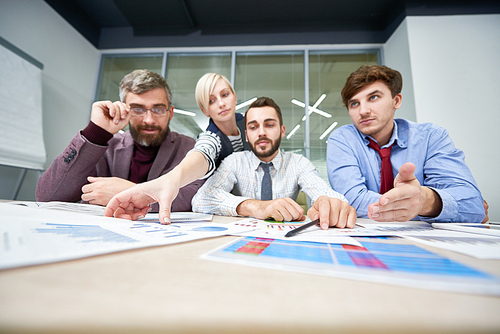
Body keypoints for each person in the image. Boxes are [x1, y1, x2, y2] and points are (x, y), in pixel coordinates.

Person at [326, 65, 486, 223]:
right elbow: (352, 201)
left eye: (373, 97)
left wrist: (427, 201)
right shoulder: (343, 139)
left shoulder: (431, 137)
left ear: (396, 101)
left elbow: (472, 205)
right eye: (354, 103)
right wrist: (424, 209)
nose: (363, 111)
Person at [36, 69, 204, 212]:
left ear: (171, 112)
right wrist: (96, 132)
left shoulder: (190, 148)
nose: (149, 119)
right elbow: (48, 196)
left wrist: (134, 192)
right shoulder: (104, 145)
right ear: (125, 109)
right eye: (138, 109)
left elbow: (197, 197)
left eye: (158, 109)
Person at [104, 73, 250, 223]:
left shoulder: (251, 121)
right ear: (205, 110)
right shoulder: (210, 138)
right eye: (211, 101)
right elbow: (202, 153)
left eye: (225, 95)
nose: (221, 104)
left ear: (234, 97)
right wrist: (173, 179)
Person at [192, 97, 356, 229]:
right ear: (247, 135)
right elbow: (200, 199)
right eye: (254, 127)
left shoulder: (299, 163)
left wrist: (331, 204)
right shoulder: (234, 162)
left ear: (282, 131)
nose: (262, 132)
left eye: (269, 125)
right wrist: (256, 207)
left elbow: (323, 191)